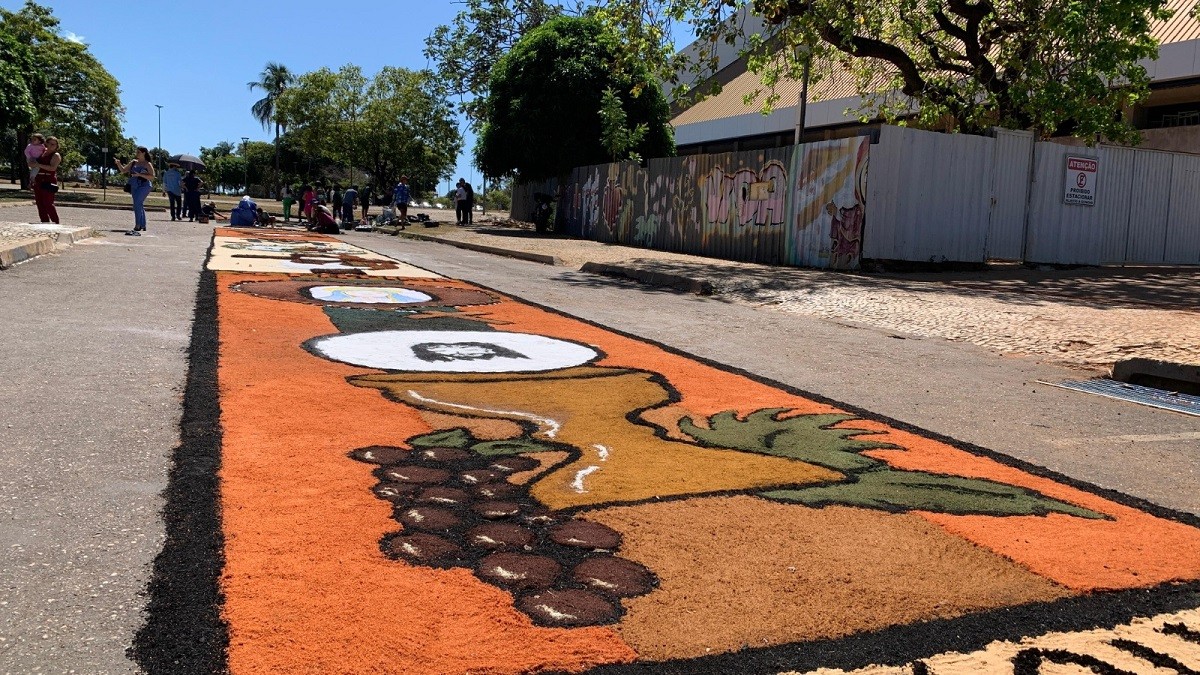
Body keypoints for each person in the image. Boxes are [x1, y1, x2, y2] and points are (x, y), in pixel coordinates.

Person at [115, 146, 156, 236]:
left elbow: (152, 176)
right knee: (139, 204)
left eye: (138, 152)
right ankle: (143, 224)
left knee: (137, 203)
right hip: (134, 185)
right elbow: (123, 170)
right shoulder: (133, 162)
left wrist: (140, 175)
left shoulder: (147, 164)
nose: (136, 154)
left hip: (144, 186)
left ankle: (138, 225)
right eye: (136, 152)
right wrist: (118, 164)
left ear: (144, 153)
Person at [31, 136, 61, 224]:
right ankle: (44, 222)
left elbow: (52, 168)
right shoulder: (41, 152)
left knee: (48, 203)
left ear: (56, 146)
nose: (51, 146)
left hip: (48, 180)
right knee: (39, 203)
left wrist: (39, 165)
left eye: (53, 144)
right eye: (49, 143)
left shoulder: (56, 155)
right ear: (46, 143)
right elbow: (33, 164)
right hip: (38, 179)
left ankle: (55, 222)